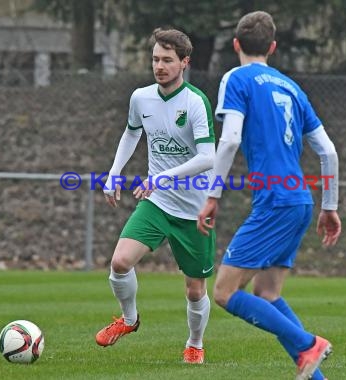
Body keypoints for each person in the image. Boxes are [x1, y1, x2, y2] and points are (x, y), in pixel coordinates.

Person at [197, 11, 341, 380]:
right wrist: (330, 206)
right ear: (273, 47)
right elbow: (327, 151)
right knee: (267, 293)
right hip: (300, 200)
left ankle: (309, 343)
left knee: (226, 293)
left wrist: (212, 196)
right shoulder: (292, 87)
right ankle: (316, 373)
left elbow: (229, 139)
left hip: (275, 201)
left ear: (235, 45)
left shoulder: (237, 78)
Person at [96, 28, 216, 365]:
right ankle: (129, 320)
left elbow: (208, 157)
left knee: (195, 290)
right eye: (155, 59)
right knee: (120, 262)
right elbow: (131, 133)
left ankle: (195, 343)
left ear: (184, 63)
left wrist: (161, 177)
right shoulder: (141, 98)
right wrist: (114, 172)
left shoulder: (195, 102)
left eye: (167, 60)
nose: (159, 66)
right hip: (157, 202)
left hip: (194, 210)